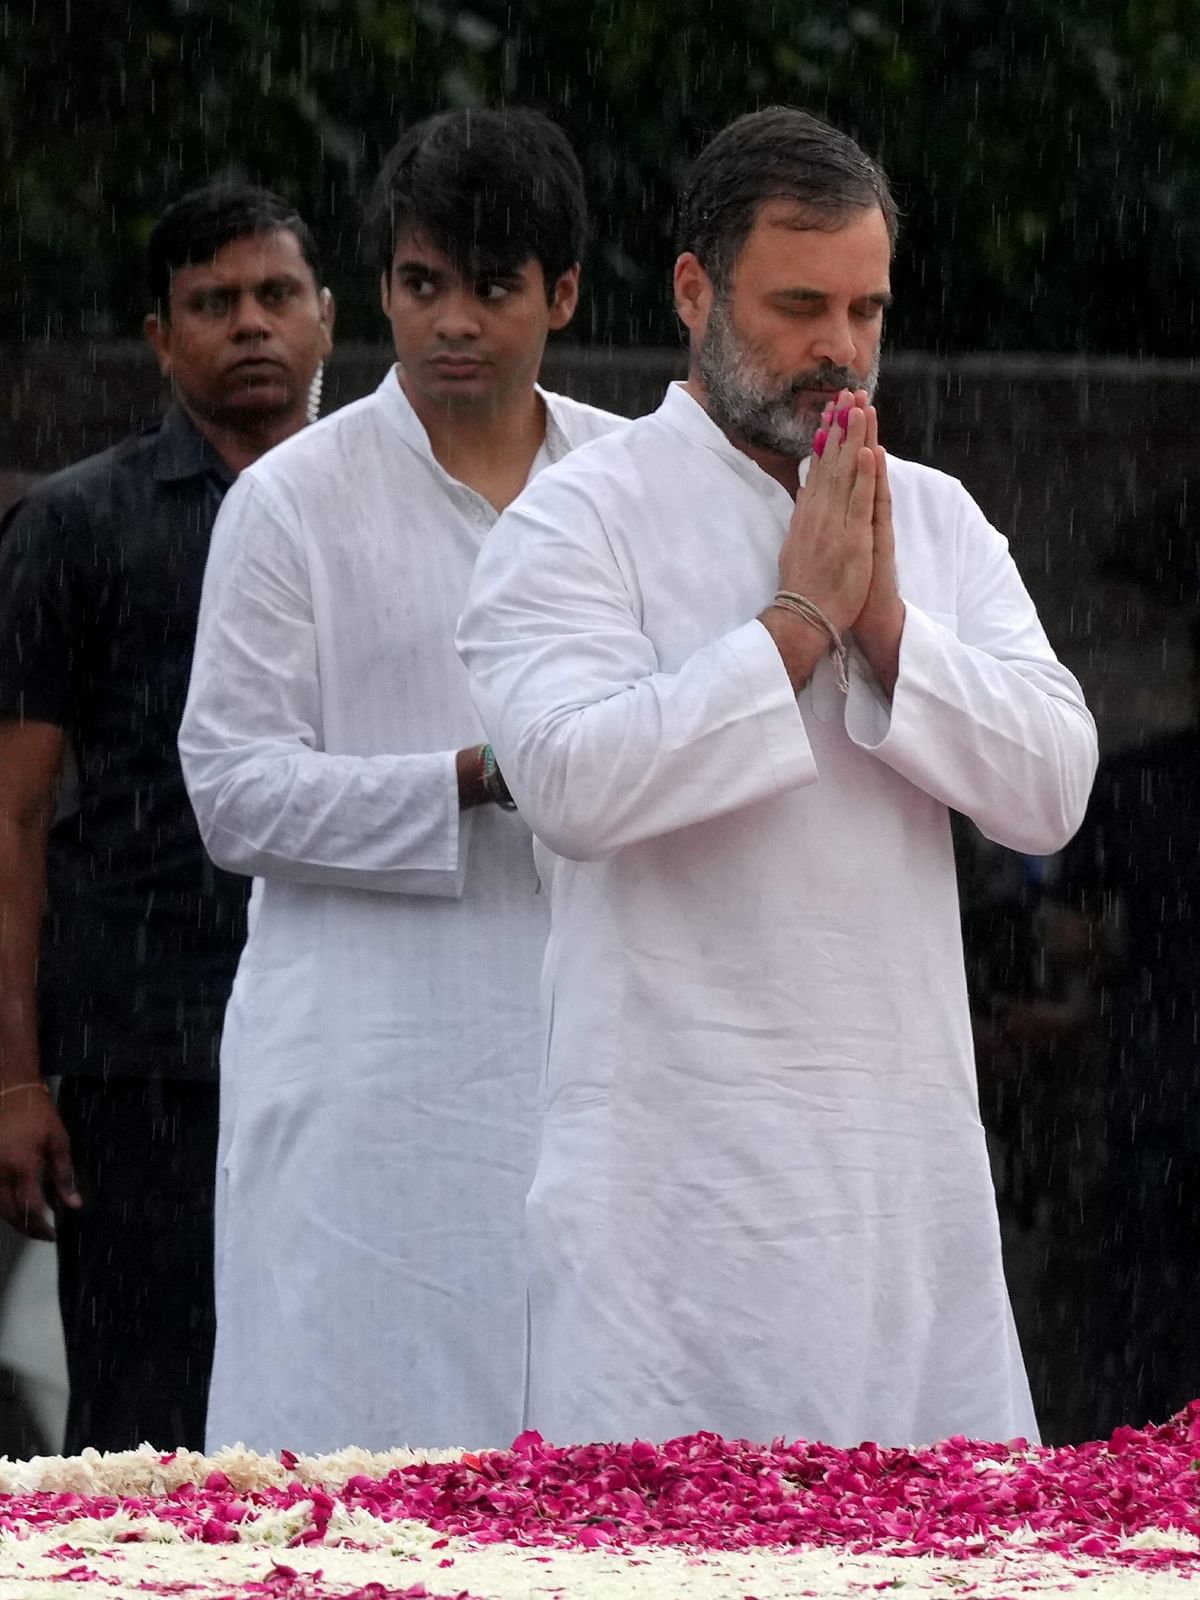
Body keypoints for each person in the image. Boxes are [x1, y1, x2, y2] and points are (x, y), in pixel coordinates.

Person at [457, 105, 1099, 1449]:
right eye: (799, 304)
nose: (840, 349)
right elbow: (570, 783)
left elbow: (1051, 784)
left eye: (865, 308)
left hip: (895, 1191)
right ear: (694, 290)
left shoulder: (931, 518)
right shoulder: (574, 520)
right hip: (668, 1204)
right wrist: (797, 628)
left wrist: (887, 631)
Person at [179, 108, 623, 1455]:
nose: (453, 325)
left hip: (584, 1051)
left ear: (563, 294)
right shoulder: (290, 501)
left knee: (579, 1452)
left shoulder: (628, 485)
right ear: (380, 288)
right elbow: (231, 791)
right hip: (358, 1066)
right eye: (422, 285)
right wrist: (472, 780)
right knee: (338, 1447)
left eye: (491, 290)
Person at [0, 183, 334, 1452]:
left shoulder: (384, 504)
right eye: (213, 303)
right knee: (147, 1436)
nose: (249, 325)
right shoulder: (77, 525)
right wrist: (16, 1074)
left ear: (325, 314)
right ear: (160, 335)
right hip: (144, 1049)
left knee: (362, 1421)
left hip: (349, 1024)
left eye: (274, 295)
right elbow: (14, 815)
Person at [1053, 608, 1200, 1436]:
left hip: (1159, 1073)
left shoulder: (1141, 780)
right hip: (1158, 1074)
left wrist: (1106, 983)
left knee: (1149, 1313)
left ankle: (1139, 1477)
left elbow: (1071, 934)